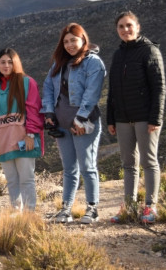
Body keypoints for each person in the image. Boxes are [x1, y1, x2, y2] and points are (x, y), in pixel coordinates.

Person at [41, 23, 106, 224]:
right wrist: (49, 112)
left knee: (87, 166)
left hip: (83, 123)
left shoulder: (93, 63)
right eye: (66, 41)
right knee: (69, 168)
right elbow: (48, 88)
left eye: (73, 40)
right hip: (62, 122)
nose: (70, 44)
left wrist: (81, 117)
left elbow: (92, 92)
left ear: (83, 40)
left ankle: (92, 208)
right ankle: (66, 209)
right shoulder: (58, 64)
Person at [107, 11, 166, 224]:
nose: (125, 30)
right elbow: (112, 90)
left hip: (145, 117)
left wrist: (155, 118)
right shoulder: (118, 54)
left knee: (149, 161)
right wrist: (111, 119)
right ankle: (129, 207)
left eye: (129, 25)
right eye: (121, 26)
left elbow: (159, 88)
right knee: (128, 163)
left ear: (138, 27)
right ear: (117, 30)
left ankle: (151, 206)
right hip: (123, 118)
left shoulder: (150, 51)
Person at [0, 48, 44, 212]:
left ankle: (30, 214)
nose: (6, 65)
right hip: (3, 141)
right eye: (3, 62)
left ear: (16, 63)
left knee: (26, 178)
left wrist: (31, 134)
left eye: (10, 61)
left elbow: (33, 109)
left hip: (24, 139)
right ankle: (16, 212)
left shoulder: (27, 82)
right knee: (11, 180)